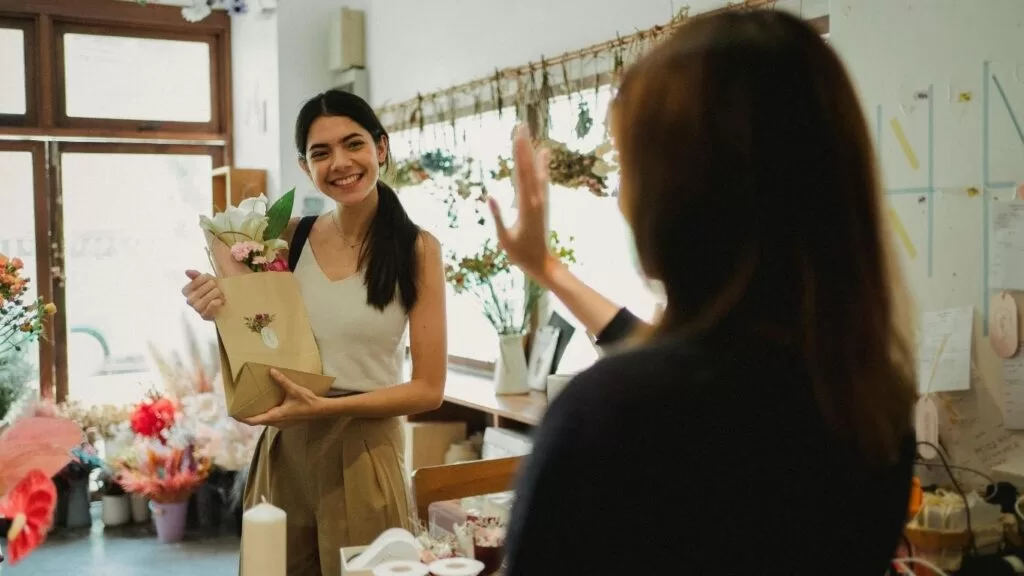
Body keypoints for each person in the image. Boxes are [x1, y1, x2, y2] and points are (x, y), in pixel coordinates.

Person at [490, 10, 917, 575]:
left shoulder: (611, 417)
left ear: (686, 192)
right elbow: (676, 353)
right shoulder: (870, 401)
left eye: (630, 166)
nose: (621, 199)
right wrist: (546, 268)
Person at [181, 89, 448, 576]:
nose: (340, 163)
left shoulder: (418, 249)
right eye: (321, 153)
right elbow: (259, 334)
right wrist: (217, 306)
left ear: (381, 148)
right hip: (285, 450)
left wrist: (327, 408)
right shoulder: (288, 239)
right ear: (305, 167)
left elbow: (429, 390)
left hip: (363, 449)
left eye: (354, 144)